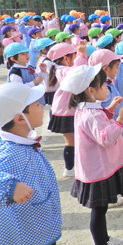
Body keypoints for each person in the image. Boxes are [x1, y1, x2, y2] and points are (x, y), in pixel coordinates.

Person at [0, 83, 62, 245]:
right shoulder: (10, 153)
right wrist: (9, 187)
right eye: (36, 104)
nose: (43, 106)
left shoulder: (16, 142)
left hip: (27, 227)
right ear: (21, 118)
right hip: (19, 233)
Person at [61, 64, 123, 245]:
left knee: (101, 209)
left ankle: (104, 240)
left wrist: (109, 110)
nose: (106, 89)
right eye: (103, 86)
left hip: (96, 167)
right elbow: (105, 137)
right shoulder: (91, 114)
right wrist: (120, 119)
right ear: (90, 91)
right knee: (99, 209)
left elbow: (98, 126)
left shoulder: (86, 109)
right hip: (97, 169)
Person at [47, 42, 85, 176]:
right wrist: (82, 56)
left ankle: (72, 166)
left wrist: (80, 56)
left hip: (67, 109)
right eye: (74, 56)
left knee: (74, 141)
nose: (76, 58)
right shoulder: (63, 70)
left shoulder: (60, 69)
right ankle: (69, 168)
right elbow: (78, 72)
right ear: (66, 58)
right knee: (71, 142)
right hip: (66, 111)